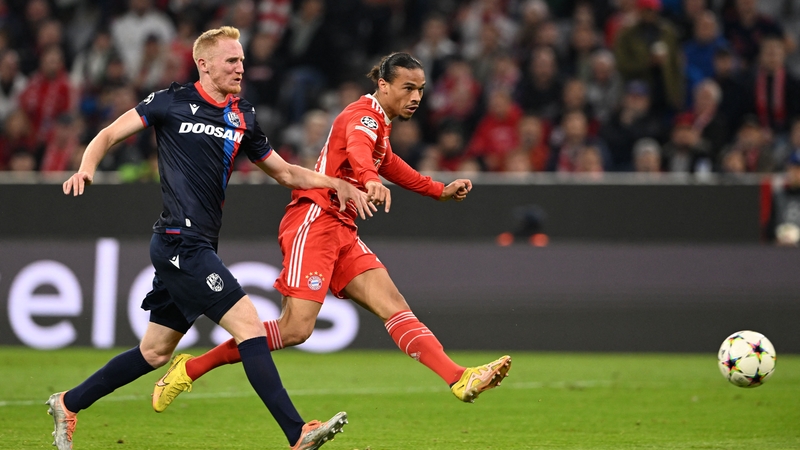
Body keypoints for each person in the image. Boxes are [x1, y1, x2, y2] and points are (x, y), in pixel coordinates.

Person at [47, 26, 366, 450]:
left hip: (198, 245)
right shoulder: (169, 102)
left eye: (242, 60)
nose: (240, 67)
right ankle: (297, 432)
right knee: (249, 325)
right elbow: (107, 134)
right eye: (231, 60)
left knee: (155, 352)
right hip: (181, 242)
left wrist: (334, 184)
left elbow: (285, 172)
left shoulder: (243, 116)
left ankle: (68, 402)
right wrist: (87, 167)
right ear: (204, 63)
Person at [151, 52, 512, 414]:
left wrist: (437, 189)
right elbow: (358, 151)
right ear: (383, 86)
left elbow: (388, 163)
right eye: (407, 88)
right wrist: (370, 180)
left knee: (394, 306)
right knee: (295, 330)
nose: (416, 97)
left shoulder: (380, 123)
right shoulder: (362, 116)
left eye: (420, 89)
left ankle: (458, 378)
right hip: (315, 220)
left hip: (342, 228)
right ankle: (191, 367)